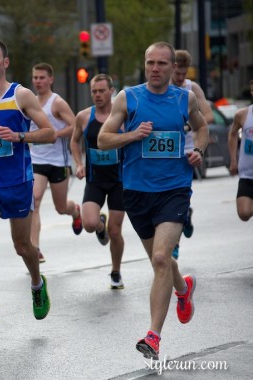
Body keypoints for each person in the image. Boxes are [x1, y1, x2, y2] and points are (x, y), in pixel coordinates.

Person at [98, 42, 208, 360]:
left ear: (173, 67)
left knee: (161, 258)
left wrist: (198, 151)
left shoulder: (183, 99)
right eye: (150, 63)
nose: (155, 68)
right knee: (158, 261)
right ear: (144, 65)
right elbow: (104, 138)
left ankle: (153, 336)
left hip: (174, 189)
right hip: (135, 191)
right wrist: (132, 135)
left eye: (162, 63)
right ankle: (183, 289)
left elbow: (202, 128)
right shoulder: (128, 98)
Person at [0, 40, 56, 335]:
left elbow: (49, 133)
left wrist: (18, 136)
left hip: (17, 183)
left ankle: (36, 282)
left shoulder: (21, 95)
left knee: (23, 246)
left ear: (5, 62)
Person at [71, 73, 126, 289]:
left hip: (119, 181)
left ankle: (116, 271)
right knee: (90, 224)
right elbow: (74, 142)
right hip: (94, 180)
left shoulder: (122, 115)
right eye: (94, 91)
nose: (97, 95)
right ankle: (100, 225)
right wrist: (78, 164)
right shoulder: (84, 117)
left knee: (115, 231)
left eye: (102, 90)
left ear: (111, 91)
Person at [29, 63, 82, 264]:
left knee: (61, 207)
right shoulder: (30, 102)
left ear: (51, 79)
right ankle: (35, 248)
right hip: (37, 160)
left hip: (58, 161)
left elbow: (75, 125)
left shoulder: (57, 103)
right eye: (35, 77)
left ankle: (75, 211)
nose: (38, 81)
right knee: (34, 200)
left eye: (42, 77)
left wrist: (54, 134)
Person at [170, 49, 215, 258]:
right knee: (168, 198)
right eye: (177, 73)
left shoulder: (191, 89)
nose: (180, 78)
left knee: (177, 197)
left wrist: (188, 125)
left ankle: (175, 242)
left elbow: (208, 116)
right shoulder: (163, 89)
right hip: (167, 152)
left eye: (183, 73)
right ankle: (185, 215)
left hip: (188, 152)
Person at [228, 79, 253, 222]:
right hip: (247, 174)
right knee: (244, 214)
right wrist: (233, 160)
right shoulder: (243, 115)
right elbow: (232, 134)